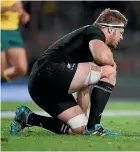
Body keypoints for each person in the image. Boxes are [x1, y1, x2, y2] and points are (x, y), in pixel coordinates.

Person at [9, 8, 127, 136]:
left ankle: (28, 118)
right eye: (120, 32)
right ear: (110, 29)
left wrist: (85, 121)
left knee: (79, 129)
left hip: (39, 87)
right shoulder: (94, 31)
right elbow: (103, 57)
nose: (121, 37)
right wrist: (111, 63)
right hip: (49, 71)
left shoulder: (88, 51)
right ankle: (94, 127)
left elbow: (84, 90)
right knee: (109, 71)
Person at [1, 0, 30, 82]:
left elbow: (18, 8)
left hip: (13, 31)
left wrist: (23, 15)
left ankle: (3, 81)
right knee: (1, 67)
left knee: (21, 68)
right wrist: (10, 8)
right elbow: (13, 8)